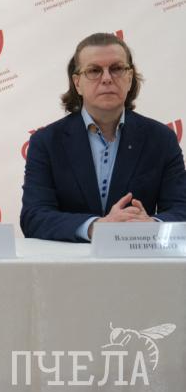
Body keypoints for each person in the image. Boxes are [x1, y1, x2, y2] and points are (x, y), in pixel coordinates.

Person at [20, 32, 186, 242]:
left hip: (138, 259)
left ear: (129, 78)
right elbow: (34, 217)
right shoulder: (46, 142)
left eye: (117, 69)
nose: (107, 78)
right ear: (77, 83)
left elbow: (181, 210)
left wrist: (151, 226)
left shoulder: (161, 139)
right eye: (94, 71)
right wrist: (96, 227)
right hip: (70, 262)